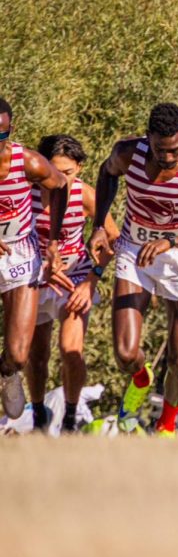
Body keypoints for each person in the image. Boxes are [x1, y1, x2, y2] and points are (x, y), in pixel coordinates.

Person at [89, 103, 178, 436]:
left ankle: (167, 426)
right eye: (160, 150)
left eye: (175, 150)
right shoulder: (129, 153)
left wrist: (173, 241)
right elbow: (106, 173)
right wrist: (99, 224)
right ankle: (141, 378)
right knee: (126, 353)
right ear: (148, 138)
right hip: (135, 250)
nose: (168, 157)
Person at [25, 136, 117, 433]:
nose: (60, 180)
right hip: (34, 276)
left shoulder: (85, 195)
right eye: (54, 172)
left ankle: (70, 417)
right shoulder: (26, 193)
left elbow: (113, 238)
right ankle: (39, 415)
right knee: (36, 357)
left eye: (68, 172)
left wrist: (91, 281)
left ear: (79, 167)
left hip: (75, 276)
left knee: (70, 349)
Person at [0, 99, 68, 421]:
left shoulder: (28, 162)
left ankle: (7, 372)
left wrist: (53, 241)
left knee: (18, 353)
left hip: (20, 255)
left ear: (10, 131)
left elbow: (61, 185)